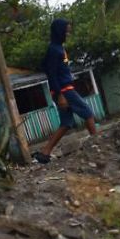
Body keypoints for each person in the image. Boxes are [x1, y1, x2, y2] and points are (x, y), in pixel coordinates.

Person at [33, 19, 97, 164]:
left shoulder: (59, 48)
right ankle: (97, 143)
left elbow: (46, 66)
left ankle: (45, 152)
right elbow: (51, 73)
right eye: (66, 31)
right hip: (64, 90)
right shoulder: (54, 49)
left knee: (66, 123)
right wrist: (60, 95)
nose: (68, 34)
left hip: (63, 89)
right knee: (88, 113)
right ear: (59, 31)